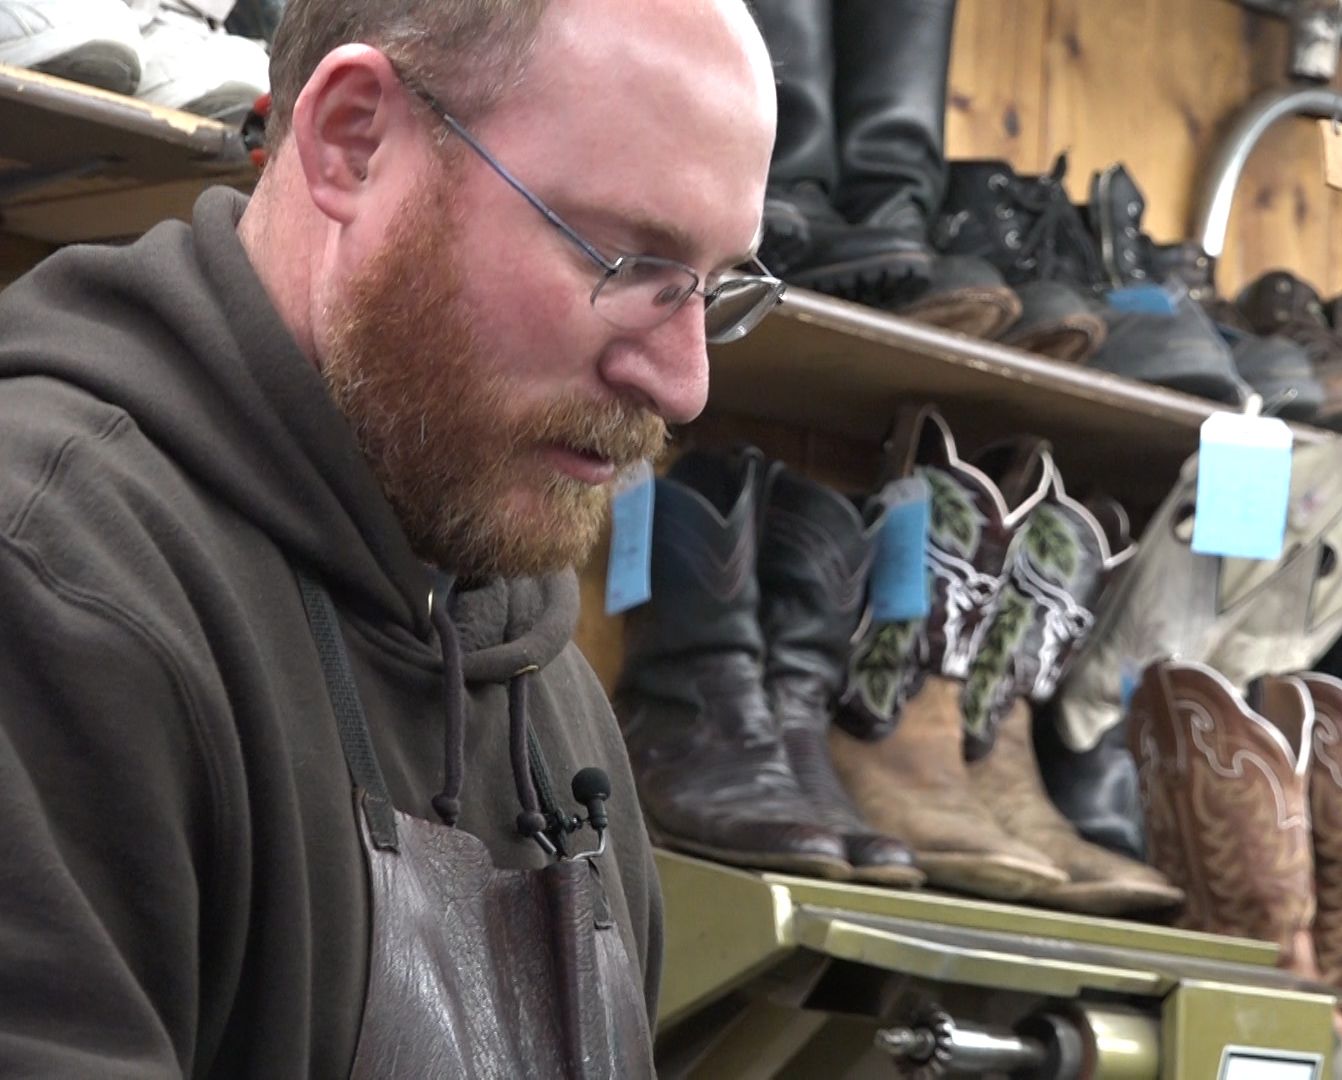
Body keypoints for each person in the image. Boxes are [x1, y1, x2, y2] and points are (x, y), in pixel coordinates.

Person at [0, 0, 778, 1074]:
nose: (685, 383)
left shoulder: (551, 695)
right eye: (622, 257)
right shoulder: (50, 583)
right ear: (353, 141)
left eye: (717, 288)